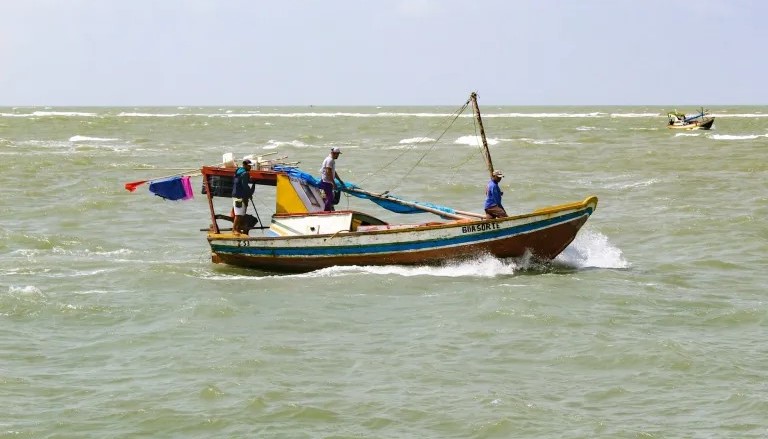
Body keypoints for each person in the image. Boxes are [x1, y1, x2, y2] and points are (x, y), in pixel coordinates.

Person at [232, 159, 254, 235]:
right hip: (239, 195)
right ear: (245, 165)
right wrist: (250, 194)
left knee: (240, 214)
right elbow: (245, 186)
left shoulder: (238, 170)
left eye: (251, 166)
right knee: (238, 215)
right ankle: (234, 229)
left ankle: (237, 229)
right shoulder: (245, 173)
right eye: (249, 166)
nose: (250, 168)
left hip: (236, 194)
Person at [319, 147, 345, 211]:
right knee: (330, 197)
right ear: (333, 153)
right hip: (326, 182)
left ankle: (327, 209)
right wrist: (333, 183)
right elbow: (328, 172)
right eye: (337, 154)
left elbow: (333, 171)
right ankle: (326, 211)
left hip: (326, 181)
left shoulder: (330, 159)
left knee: (329, 197)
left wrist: (339, 180)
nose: (338, 156)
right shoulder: (330, 160)